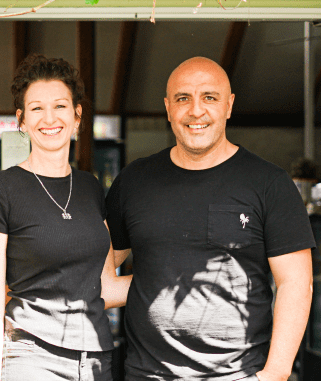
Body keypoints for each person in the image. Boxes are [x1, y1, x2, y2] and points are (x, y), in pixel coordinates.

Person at [105, 57, 316, 381]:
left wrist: (274, 374)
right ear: (168, 107)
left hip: (237, 375)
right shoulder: (133, 181)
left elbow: (296, 283)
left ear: (229, 105)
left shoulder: (269, 184)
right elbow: (101, 278)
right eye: (183, 98)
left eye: (209, 97)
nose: (196, 110)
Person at [0, 54, 131, 381]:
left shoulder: (89, 188)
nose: (49, 118)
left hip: (96, 357)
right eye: (36, 108)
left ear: (77, 116)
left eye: (60, 106)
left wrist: (176, 274)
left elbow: (104, 287)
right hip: (31, 355)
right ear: (21, 120)